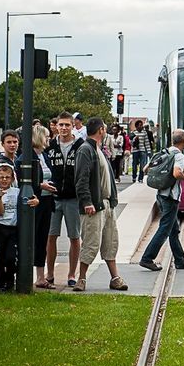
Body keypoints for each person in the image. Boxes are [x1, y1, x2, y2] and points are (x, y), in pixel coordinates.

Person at [73, 117, 128, 292]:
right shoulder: (85, 149)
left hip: (106, 205)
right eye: (105, 129)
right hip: (94, 206)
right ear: (101, 130)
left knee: (110, 241)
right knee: (91, 241)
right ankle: (81, 278)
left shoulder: (98, 149)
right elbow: (81, 179)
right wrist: (87, 202)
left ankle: (115, 277)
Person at [140, 129, 184, 271]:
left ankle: (180, 260)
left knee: (173, 229)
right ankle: (147, 258)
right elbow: (177, 173)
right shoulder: (179, 155)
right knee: (165, 229)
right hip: (171, 197)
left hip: (160, 195)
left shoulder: (163, 152)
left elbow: (146, 169)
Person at [46, 112, 84, 288]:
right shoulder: (50, 146)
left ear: (73, 126)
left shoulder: (80, 146)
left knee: (74, 237)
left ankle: (71, 274)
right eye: (61, 125)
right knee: (51, 236)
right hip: (53, 198)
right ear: (56, 126)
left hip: (72, 198)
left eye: (67, 125)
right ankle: (50, 273)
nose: (63, 128)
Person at [17, 125, 58, 288]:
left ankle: (41, 277)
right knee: (30, 238)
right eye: (47, 136)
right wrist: (41, 185)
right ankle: (24, 274)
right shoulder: (27, 157)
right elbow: (23, 179)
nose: (49, 139)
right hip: (35, 202)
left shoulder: (45, 156)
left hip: (47, 202)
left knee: (42, 239)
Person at [0, 164, 39, 291]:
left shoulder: (17, 192)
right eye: (1, 177)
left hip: (13, 229)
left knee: (11, 257)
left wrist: (35, 201)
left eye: (7, 177)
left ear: (12, 179)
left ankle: (10, 281)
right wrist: (0, 197)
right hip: (0, 227)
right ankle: (0, 284)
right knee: (0, 258)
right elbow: (0, 212)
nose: (4, 180)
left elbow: (30, 200)